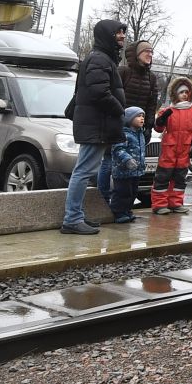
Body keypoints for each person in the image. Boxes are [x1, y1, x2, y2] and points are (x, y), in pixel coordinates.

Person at [63, 19, 128, 234]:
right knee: (83, 171)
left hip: (97, 125)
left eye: (123, 33)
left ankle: (76, 216)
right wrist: (120, 109)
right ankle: (72, 218)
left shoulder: (103, 58)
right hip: (96, 125)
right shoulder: (100, 59)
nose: (122, 36)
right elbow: (99, 93)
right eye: (118, 33)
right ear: (106, 35)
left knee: (84, 170)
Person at [103, 39, 161, 208]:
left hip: (138, 128)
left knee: (132, 167)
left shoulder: (152, 78)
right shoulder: (123, 72)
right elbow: (112, 96)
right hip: (118, 125)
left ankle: (123, 205)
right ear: (137, 55)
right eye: (146, 51)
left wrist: (149, 126)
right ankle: (103, 201)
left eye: (151, 52)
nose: (150, 54)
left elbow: (152, 104)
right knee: (108, 162)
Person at [152, 76, 192, 212]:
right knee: (163, 176)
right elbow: (158, 129)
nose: (185, 95)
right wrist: (161, 120)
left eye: (187, 92)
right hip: (169, 148)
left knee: (180, 177)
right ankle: (159, 204)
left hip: (184, 148)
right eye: (181, 92)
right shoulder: (168, 111)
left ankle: (176, 203)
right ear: (175, 94)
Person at [107, 106, 149, 224]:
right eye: (138, 116)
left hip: (136, 171)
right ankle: (118, 212)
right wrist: (127, 160)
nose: (141, 119)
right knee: (122, 192)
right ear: (129, 119)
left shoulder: (140, 134)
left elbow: (141, 151)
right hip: (122, 171)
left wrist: (141, 164)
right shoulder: (124, 134)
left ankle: (127, 210)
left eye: (143, 116)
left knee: (132, 192)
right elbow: (118, 149)